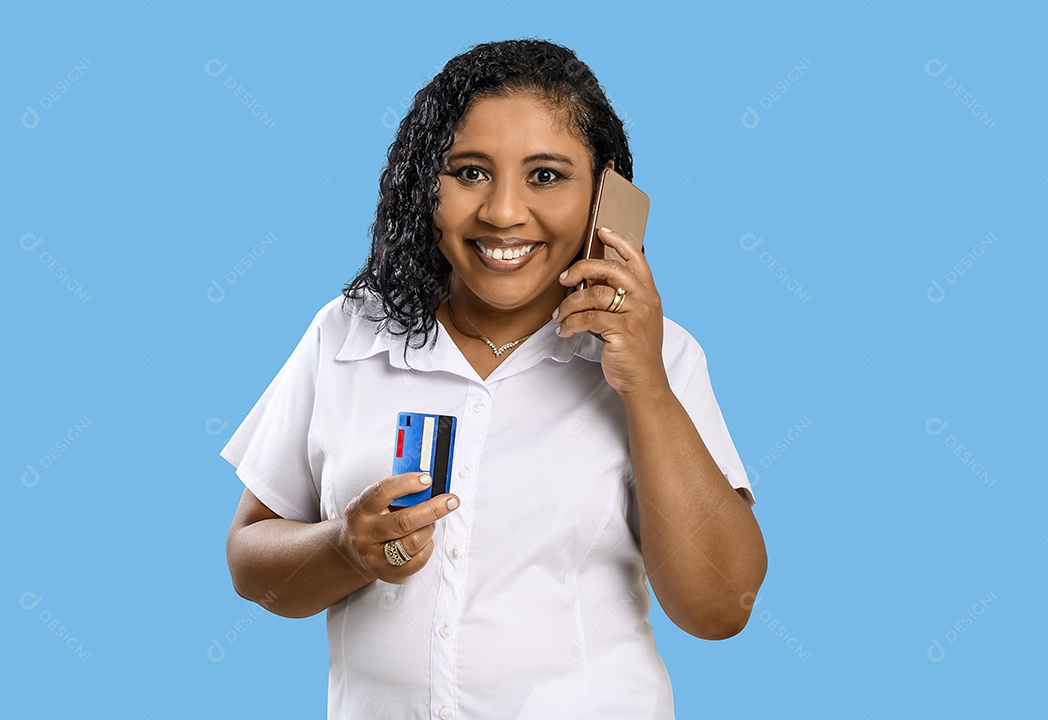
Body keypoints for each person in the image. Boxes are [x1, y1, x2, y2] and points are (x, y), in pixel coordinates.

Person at [222, 38, 766, 719]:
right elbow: (251, 562)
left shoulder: (664, 356)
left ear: (608, 196)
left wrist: (648, 390)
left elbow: (721, 609)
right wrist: (345, 548)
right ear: (425, 185)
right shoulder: (347, 335)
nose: (504, 212)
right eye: (470, 172)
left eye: (546, 176)